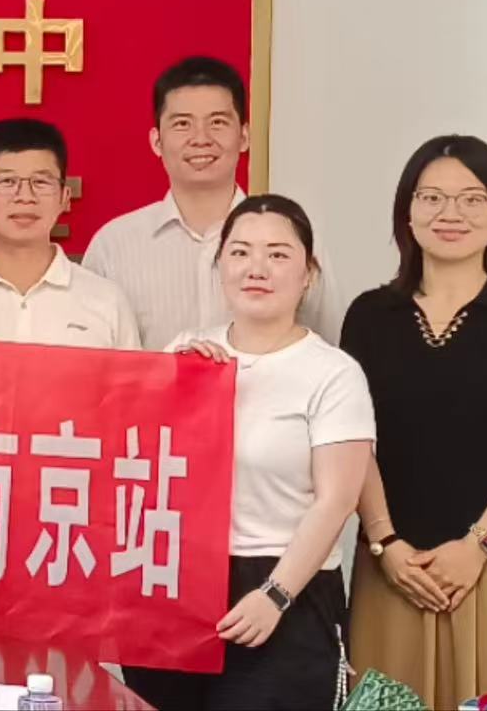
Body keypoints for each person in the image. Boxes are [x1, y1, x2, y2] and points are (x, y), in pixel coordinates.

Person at [343, 136, 487, 708]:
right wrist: (385, 542)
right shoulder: (370, 316)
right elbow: (351, 443)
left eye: (472, 199)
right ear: (407, 212)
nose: (451, 213)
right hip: (391, 569)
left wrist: (477, 546)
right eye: (432, 198)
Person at [124, 195, 372, 711]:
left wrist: (276, 594)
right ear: (220, 266)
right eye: (240, 252)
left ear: (308, 273)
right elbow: (136, 470)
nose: (256, 268)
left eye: (278, 254)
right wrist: (167, 384)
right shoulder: (187, 352)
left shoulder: (333, 373)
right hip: (180, 581)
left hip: (284, 584)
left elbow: (336, 501)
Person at [83, 56, 251, 351]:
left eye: (218, 122)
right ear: (156, 141)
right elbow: (92, 361)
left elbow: (319, 349)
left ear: (244, 136)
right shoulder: (113, 246)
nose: (201, 139)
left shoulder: (291, 239)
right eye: (182, 124)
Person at [0, 117, 139, 349]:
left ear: (64, 198)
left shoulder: (106, 299)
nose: (25, 197)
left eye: (41, 182)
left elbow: (133, 375)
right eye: (7, 181)